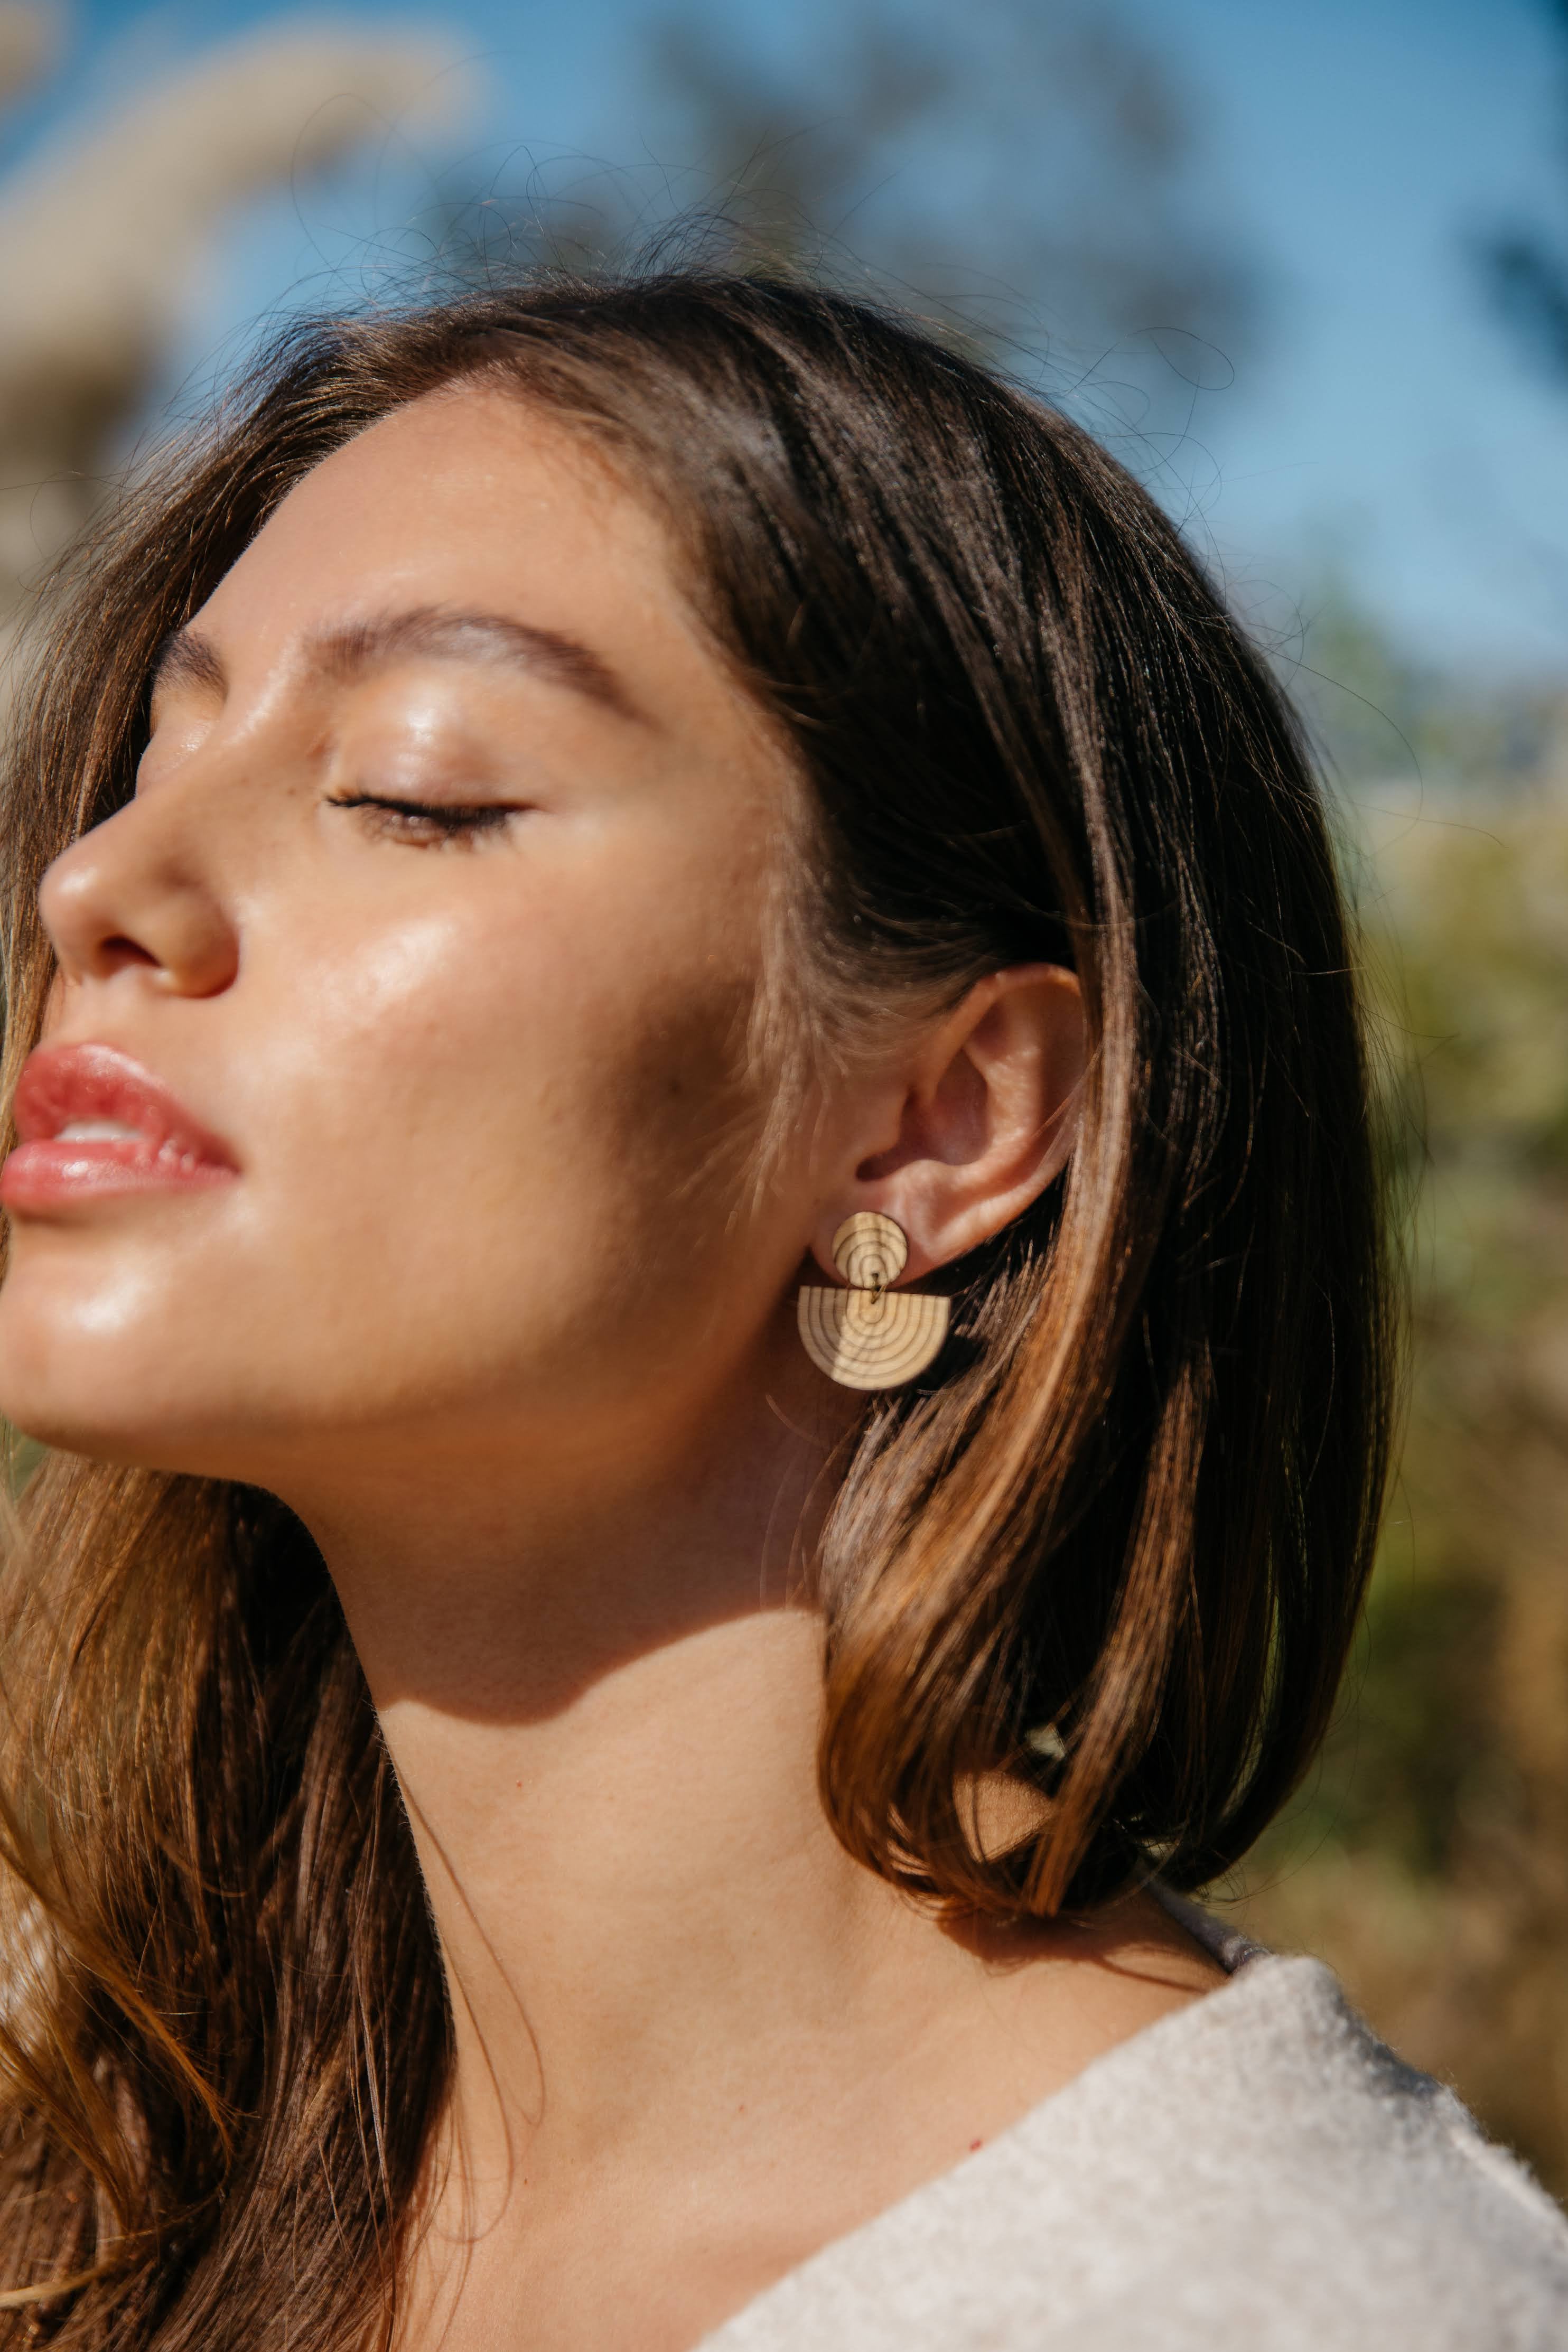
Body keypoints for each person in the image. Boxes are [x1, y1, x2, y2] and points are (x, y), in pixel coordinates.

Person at [0, 270, 1560, 2352]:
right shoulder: (96, 2149)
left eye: (414, 783)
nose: (94, 885)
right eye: (145, 754)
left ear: (936, 1120)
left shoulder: (1280, 2311)